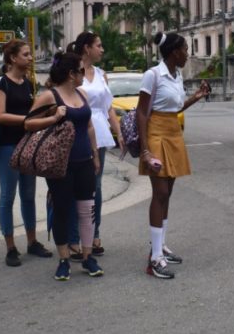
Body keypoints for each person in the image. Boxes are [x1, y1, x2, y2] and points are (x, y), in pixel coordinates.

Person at [137, 31, 210, 279]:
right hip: (156, 135)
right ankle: (154, 259)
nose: (188, 54)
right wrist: (145, 151)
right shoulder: (153, 75)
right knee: (160, 193)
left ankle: (161, 248)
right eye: (185, 50)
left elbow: (175, 107)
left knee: (168, 195)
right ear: (173, 52)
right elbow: (141, 113)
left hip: (173, 133)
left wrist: (196, 97)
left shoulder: (176, 75)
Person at [26, 51, 103, 281]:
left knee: (87, 209)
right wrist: (53, 118)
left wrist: (95, 153)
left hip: (84, 161)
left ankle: (88, 256)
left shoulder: (82, 94)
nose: (83, 74)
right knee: (61, 209)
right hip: (60, 164)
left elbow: (89, 126)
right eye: (80, 70)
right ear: (71, 74)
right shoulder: (50, 96)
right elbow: (28, 123)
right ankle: (63, 260)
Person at [0, 40, 53, 266]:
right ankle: (10, 247)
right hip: (6, 145)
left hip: (27, 144)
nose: (30, 58)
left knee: (28, 195)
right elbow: (0, 115)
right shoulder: (1, 82)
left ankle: (32, 241)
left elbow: (32, 111)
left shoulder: (27, 82)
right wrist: (27, 121)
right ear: (13, 58)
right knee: (8, 195)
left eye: (30, 54)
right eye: (26, 54)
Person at [65, 31, 121, 258]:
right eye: (99, 45)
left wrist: (119, 133)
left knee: (95, 187)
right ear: (87, 48)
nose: (102, 49)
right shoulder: (71, 71)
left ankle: (94, 235)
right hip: (76, 134)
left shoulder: (101, 74)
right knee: (75, 187)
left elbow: (109, 108)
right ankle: (72, 238)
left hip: (99, 134)